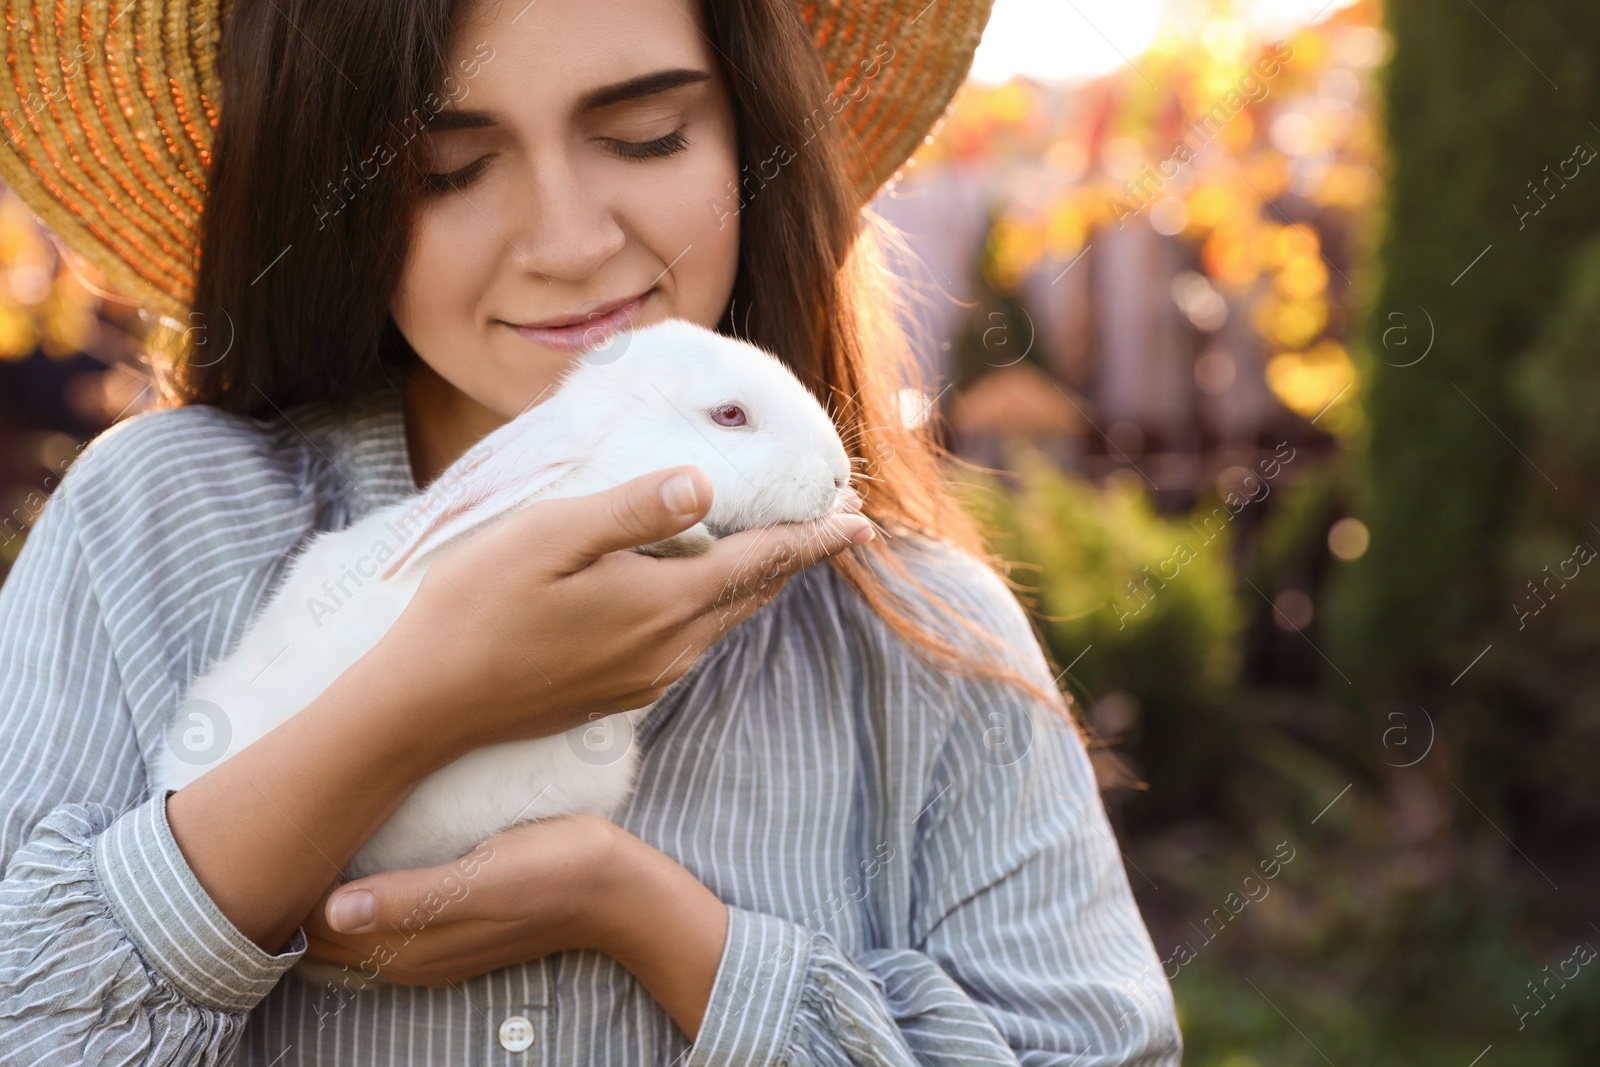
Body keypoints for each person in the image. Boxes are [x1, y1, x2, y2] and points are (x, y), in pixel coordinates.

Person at [0, 0, 1185, 1063]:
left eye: (646, 137)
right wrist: (408, 704)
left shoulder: (923, 639)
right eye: (447, 169)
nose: (567, 242)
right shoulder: (152, 524)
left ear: (744, 135)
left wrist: (645, 917)